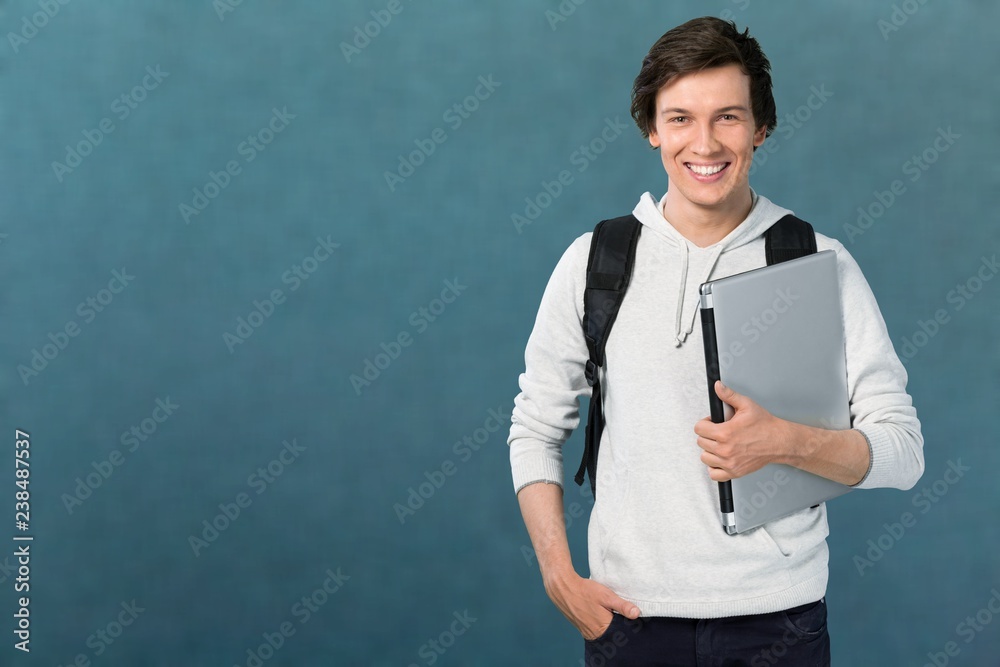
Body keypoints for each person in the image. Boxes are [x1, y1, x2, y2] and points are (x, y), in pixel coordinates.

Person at [507, 16, 924, 666]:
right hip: (629, 622)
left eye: (728, 117)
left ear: (760, 128)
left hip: (779, 624)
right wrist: (559, 575)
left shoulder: (815, 261)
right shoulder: (596, 262)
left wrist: (788, 441)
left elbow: (903, 453)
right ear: (652, 129)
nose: (704, 143)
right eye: (679, 118)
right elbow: (534, 427)